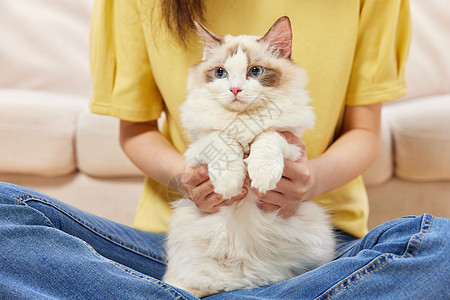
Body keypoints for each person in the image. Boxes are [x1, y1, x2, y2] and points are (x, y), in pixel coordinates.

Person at [0, 0, 449, 298]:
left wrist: (308, 182)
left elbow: (366, 132)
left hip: (298, 252)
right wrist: (186, 177)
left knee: (439, 245)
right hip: (182, 249)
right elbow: (134, 128)